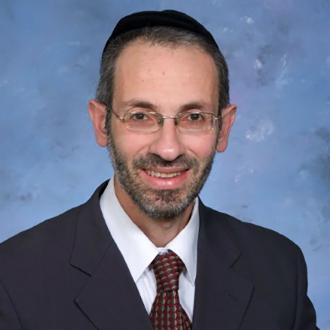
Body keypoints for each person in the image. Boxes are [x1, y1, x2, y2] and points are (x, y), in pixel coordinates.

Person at [0, 9, 318, 330]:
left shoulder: (279, 271)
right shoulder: (12, 280)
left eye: (194, 117)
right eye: (141, 116)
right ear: (101, 124)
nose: (168, 149)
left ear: (223, 129)